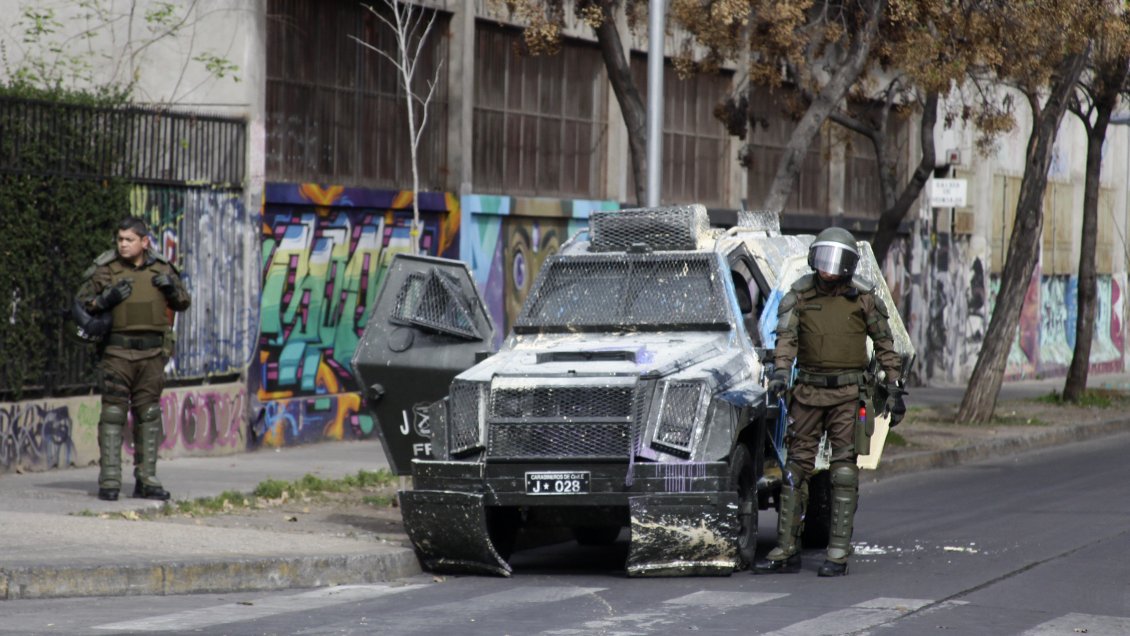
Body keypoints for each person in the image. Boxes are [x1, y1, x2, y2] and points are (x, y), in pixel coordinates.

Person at [753, 226, 906, 577]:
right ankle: (786, 547)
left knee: (842, 470)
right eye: (823, 259)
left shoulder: (864, 298)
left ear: (850, 265)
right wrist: (780, 373)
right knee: (795, 469)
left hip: (848, 394)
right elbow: (786, 338)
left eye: (836, 261)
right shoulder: (800, 295)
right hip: (806, 391)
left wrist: (895, 387)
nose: (828, 269)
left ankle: (837, 551)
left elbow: (885, 344)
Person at [78, 217, 191, 501]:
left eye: (129, 239)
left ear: (144, 242)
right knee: (113, 414)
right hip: (116, 353)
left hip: (152, 354)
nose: (123, 244)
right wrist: (104, 300)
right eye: (120, 239)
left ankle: (147, 479)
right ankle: (110, 481)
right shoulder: (106, 270)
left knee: (149, 415)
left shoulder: (162, 268)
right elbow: (81, 304)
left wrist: (171, 288)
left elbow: (184, 302)